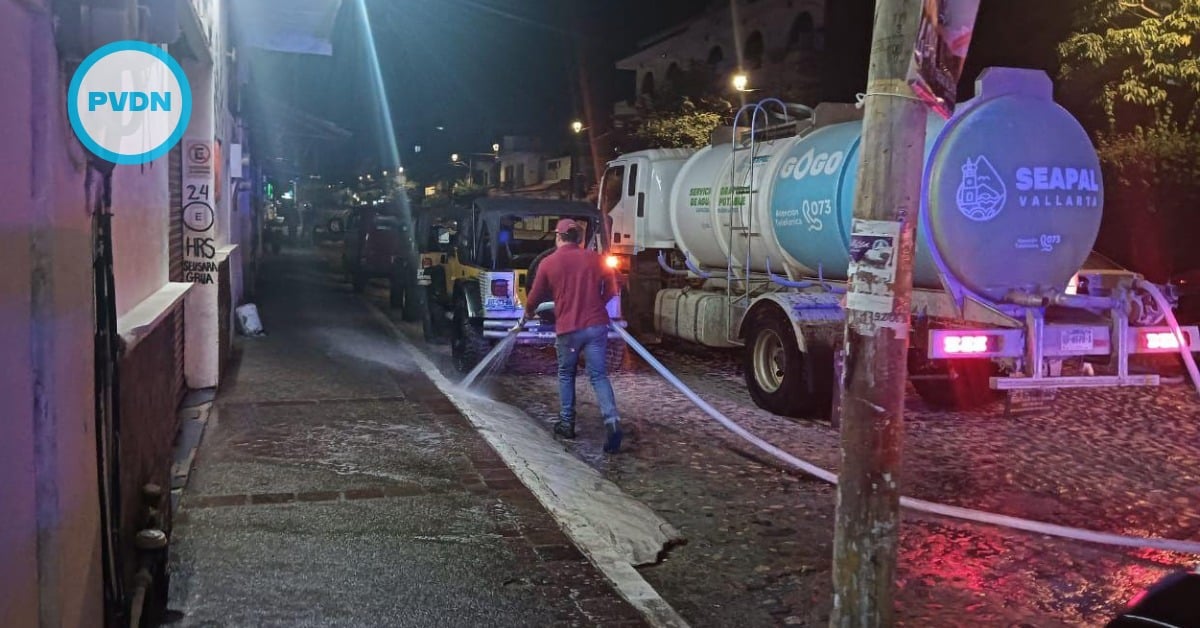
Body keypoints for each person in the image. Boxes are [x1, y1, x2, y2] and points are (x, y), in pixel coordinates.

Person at [518, 218, 623, 453]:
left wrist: (526, 316)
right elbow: (615, 286)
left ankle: (567, 423)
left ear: (558, 237)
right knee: (598, 376)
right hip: (596, 326)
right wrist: (600, 302)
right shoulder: (595, 259)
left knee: (566, 373)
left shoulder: (548, 263)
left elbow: (533, 298)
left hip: (569, 329)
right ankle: (612, 421)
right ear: (578, 238)